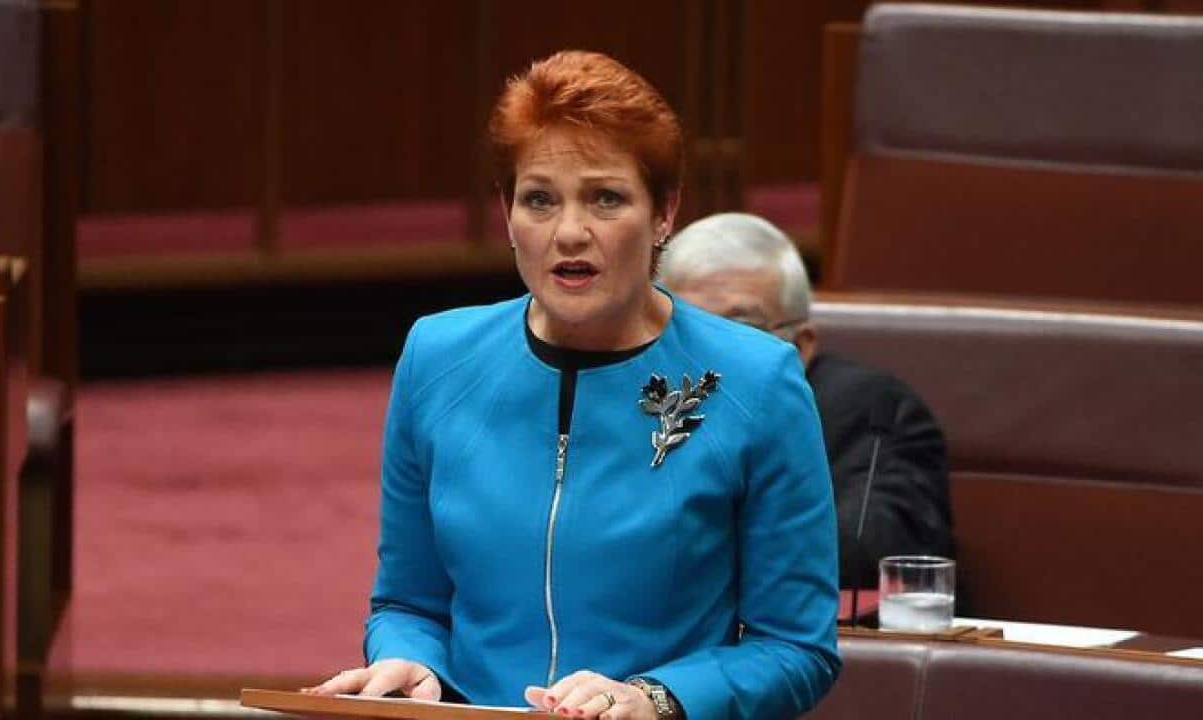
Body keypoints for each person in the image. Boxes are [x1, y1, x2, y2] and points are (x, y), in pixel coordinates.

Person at [306, 53, 840, 719]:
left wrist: (656, 698)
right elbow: (408, 604)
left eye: (605, 198)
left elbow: (795, 646)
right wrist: (412, 660)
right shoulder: (436, 358)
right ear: (507, 214)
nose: (568, 233)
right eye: (539, 200)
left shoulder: (757, 382)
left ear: (665, 213)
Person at [659, 213, 954, 590]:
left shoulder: (873, 411)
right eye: (690, 327)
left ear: (801, 346)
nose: (713, 351)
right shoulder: (642, 404)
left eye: (742, 328)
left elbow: (862, 552)